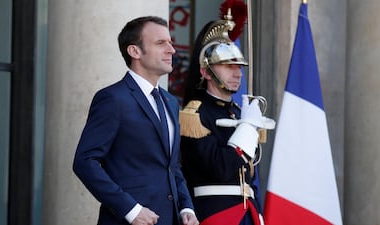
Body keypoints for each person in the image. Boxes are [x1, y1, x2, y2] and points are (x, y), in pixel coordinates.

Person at [73, 16, 199, 225]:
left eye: (170, 42)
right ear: (134, 51)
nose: (172, 50)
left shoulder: (170, 102)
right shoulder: (113, 98)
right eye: (161, 43)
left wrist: (186, 207)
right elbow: (85, 162)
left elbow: (172, 167)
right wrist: (130, 210)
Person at [179, 14, 275, 225]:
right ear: (206, 71)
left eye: (239, 66)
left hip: (248, 211)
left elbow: (251, 172)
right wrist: (248, 128)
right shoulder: (194, 115)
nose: (238, 73)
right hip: (215, 214)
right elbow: (220, 168)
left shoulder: (240, 112)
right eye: (228, 66)